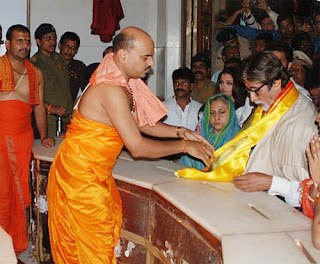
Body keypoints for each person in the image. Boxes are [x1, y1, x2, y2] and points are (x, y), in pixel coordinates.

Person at [47, 27, 214, 263]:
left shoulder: (124, 83)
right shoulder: (110, 89)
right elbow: (137, 147)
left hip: (91, 173)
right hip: (80, 177)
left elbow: (140, 123)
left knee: (95, 244)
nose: (152, 62)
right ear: (123, 55)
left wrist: (180, 131)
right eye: (145, 56)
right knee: (94, 249)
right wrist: (184, 146)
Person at [177, 52, 317, 207]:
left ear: (276, 83)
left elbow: (309, 192)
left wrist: (271, 182)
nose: (252, 98)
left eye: (255, 90)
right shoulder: (267, 105)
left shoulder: (299, 121)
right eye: (249, 91)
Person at [0, 24, 54, 254]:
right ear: (8, 44)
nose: (25, 46)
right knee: (2, 193)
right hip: (1, 140)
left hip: (24, 139)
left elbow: (39, 108)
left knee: (22, 191)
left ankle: (16, 242)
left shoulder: (35, 73)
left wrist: (43, 135)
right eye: (19, 41)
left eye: (27, 41)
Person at [31, 23, 73, 137]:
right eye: (48, 39)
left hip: (67, 119)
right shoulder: (34, 64)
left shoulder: (59, 58)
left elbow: (65, 87)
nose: (53, 42)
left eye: (54, 38)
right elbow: (31, 95)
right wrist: (50, 108)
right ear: (38, 42)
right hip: (48, 120)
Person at [179, 94, 240, 170]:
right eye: (212, 113)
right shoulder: (199, 140)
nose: (217, 117)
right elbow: (182, 167)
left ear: (231, 113)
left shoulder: (241, 141)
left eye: (222, 112)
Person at [59, 31, 87, 103]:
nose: (69, 50)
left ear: (76, 50)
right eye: (67, 46)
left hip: (69, 110)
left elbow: (87, 89)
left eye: (73, 47)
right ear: (59, 46)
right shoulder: (50, 63)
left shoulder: (79, 67)